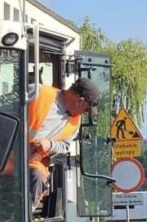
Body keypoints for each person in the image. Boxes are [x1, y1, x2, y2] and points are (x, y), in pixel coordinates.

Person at [27, 77, 101, 209]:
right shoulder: (39, 93)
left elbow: (65, 146)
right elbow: (2, 108)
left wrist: (50, 145)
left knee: (37, 178)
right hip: (6, 149)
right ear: (80, 101)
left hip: (31, 161)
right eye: (86, 110)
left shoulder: (75, 124)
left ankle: (19, 219)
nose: (85, 114)